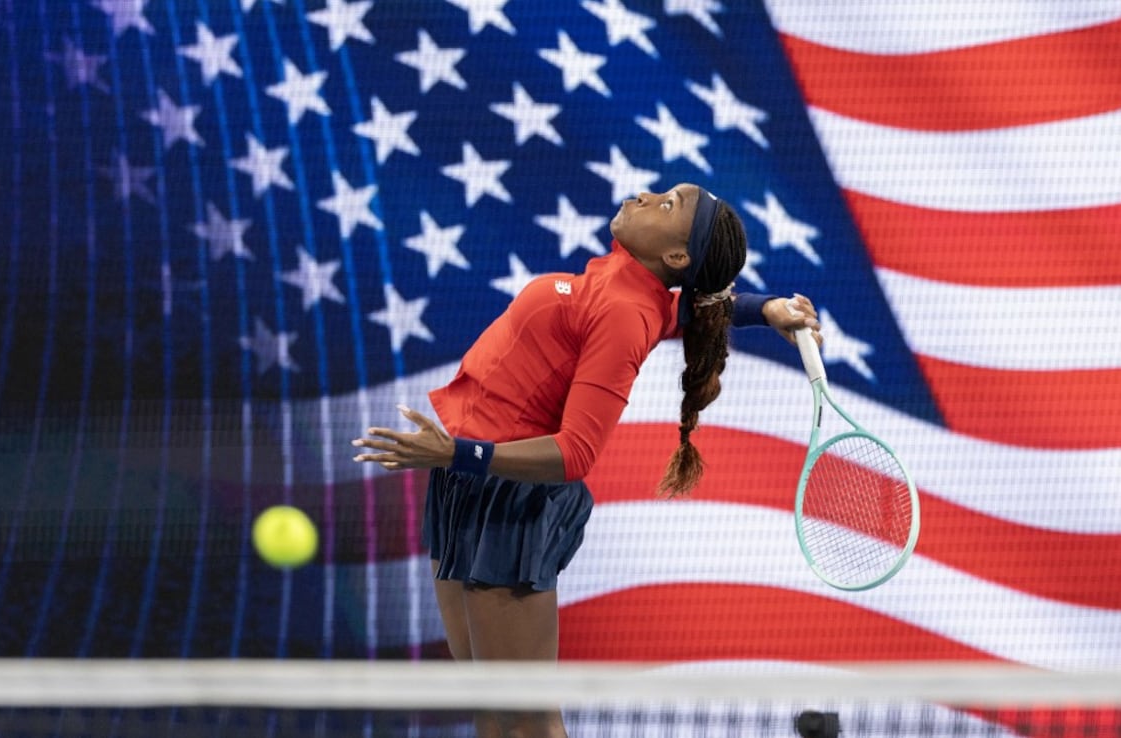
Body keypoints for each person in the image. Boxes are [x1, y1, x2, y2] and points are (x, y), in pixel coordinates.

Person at [352, 184, 821, 738]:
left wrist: (456, 452)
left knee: (527, 717)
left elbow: (575, 453)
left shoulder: (625, 312)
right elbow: (689, 310)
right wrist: (764, 309)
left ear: (676, 256)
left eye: (668, 204)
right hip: (468, 480)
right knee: (489, 700)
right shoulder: (627, 287)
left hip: (507, 497)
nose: (645, 194)